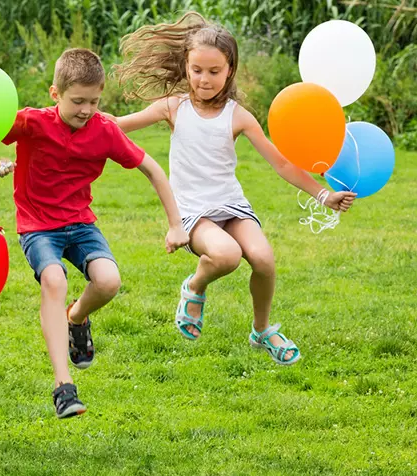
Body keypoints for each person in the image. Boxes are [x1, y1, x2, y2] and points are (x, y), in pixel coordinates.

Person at [110, 12, 357, 365]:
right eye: (197, 70)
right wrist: (75, 115)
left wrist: (323, 195)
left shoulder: (237, 115)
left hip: (231, 207)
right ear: (186, 67)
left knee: (264, 260)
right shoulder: (173, 107)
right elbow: (118, 126)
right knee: (226, 257)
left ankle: (262, 330)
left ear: (230, 70)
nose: (205, 79)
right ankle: (194, 288)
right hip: (193, 213)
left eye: (214, 71)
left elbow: (282, 163)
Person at [0, 47, 189, 418]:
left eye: (94, 101)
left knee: (109, 281)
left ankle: (76, 318)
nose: (86, 110)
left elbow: (153, 169)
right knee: (54, 280)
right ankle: (63, 387)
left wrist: (176, 224)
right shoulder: (31, 123)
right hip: (38, 226)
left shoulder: (104, 130)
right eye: (77, 101)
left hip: (80, 223)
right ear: (55, 93)